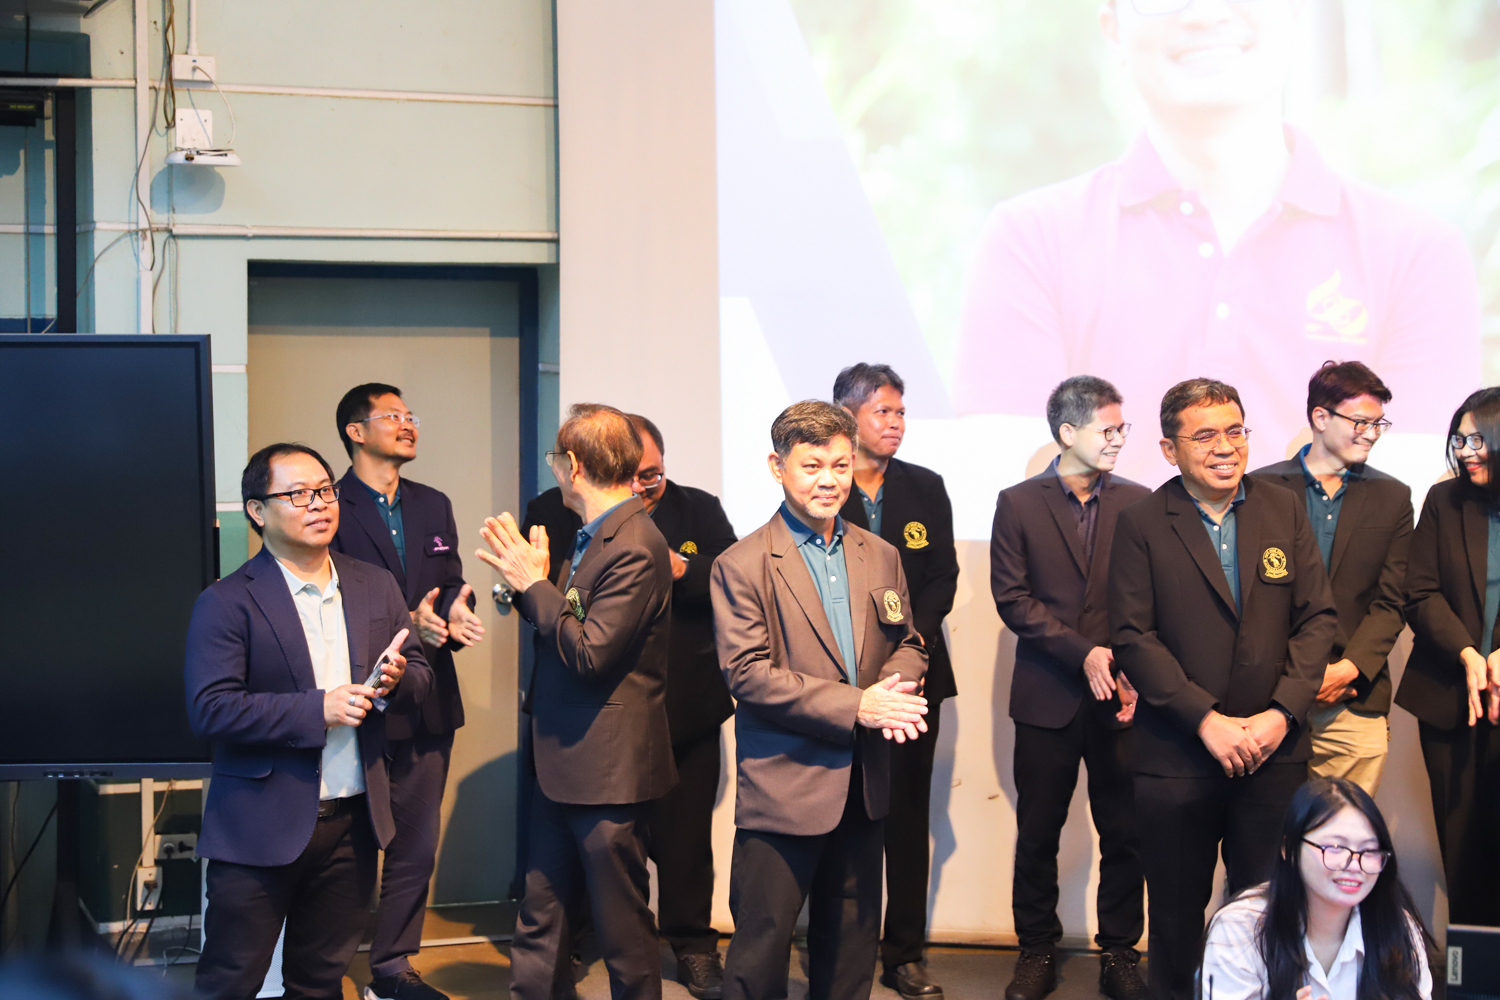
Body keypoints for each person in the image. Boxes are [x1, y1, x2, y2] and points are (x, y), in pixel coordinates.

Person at [953, 0, 1481, 487]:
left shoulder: (1417, 255)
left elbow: (1421, 507)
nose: (1204, 12)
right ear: (1112, 27)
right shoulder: (1030, 242)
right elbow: (1003, 502)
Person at [1109, 378, 1336, 1000]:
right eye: (1205, 435)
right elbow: (1132, 637)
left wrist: (1281, 714)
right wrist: (1206, 720)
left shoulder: (1283, 508)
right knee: (1176, 918)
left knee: (1268, 915)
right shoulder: (1141, 523)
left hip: (1272, 753)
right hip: (1177, 755)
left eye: (1235, 431)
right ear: (1169, 449)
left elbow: (1317, 619)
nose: (1225, 447)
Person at [185, 443, 431, 1000]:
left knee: (319, 983)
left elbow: (420, 674)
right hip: (258, 827)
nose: (318, 503)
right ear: (257, 511)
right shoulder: (226, 601)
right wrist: (317, 709)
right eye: (297, 494)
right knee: (229, 982)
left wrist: (396, 680)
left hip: (353, 823)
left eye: (324, 490)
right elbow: (211, 707)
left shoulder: (374, 584)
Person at [710, 400, 929, 1000]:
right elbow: (747, 674)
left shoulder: (880, 554)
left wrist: (894, 686)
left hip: (864, 783)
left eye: (840, 464)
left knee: (852, 950)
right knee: (760, 952)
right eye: (812, 466)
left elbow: (908, 642)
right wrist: (857, 706)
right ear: (777, 467)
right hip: (785, 788)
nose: (829, 480)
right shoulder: (742, 563)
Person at [478, 403, 677, 1000]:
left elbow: (590, 654)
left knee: (621, 927)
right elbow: (565, 623)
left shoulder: (633, 543)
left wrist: (534, 585)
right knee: (540, 914)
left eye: (555, 460)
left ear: (574, 465)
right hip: (563, 759)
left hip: (607, 769)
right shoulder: (596, 535)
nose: (554, 471)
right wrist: (530, 588)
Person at [990, 376, 1148, 1000]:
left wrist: (1127, 666)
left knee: (1125, 832)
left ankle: (1120, 953)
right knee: (1038, 833)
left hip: (1123, 697)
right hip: (1046, 696)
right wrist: (1084, 653)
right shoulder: (1018, 503)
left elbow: (1147, 600)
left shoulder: (1139, 501)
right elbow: (1012, 599)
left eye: (1122, 428)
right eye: (1108, 429)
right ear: (1067, 432)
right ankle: (1036, 951)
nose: (1118, 439)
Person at [328, 383, 486, 1000]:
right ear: (355, 431)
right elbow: (327, 600)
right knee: (351, 846)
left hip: (429, 696)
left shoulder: (432, 503)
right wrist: (406, 626)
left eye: (409, 414)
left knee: (416, 845)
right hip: (359, 700)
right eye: (392, 415)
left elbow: (449, 582)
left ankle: (392, 970)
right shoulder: (331, 504)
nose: (407, 423)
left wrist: (456, 610)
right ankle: (323, 968)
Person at [832, 364, 959, 1000]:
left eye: (901, 412)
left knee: (907, 818)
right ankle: (842, 949)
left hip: (915, 679)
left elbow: (942, 577)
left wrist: (911, 649)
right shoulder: (825, 487)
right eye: (883, 411)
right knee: (844, 817)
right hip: (844, 683)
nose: (896, 423)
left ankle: (903, 954)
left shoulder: (924, 486)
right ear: (848, 415)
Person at [1250, 362, 1411, 796]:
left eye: (1378, 424)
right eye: (1361, 422)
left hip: (1352, 698)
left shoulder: (1393, 497)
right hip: (1267, 694)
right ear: (1321, 417)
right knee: (1268, 830)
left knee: (1344, 829)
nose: (1371, 434)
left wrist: (1348, 669)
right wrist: (1295, 678)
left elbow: (1392, 600)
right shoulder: (1260, 488)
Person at [625, 413, 739, 1000]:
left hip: (688, 705)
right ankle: (598, 940)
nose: (644, 486)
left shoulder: (699, 508)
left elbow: (732, 577)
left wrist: (682, 568)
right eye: (633, 476)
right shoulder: (571, 508)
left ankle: (694, 944)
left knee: (687, 839)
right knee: (605, 840)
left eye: (653, 474)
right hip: (608, 710)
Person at [1396, 387, 1500, 926]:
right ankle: (1469, 962)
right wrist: (1467, 652)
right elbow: (1419, 591)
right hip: (1449, 700)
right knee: (1462, 852)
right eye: (1459, 440)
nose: (1465, 451)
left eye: (1478, 439)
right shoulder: (1443, 500)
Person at [1199, 777, 1432, 1000]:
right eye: (1335, 847)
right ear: (1288, 849)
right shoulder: (1241, 927)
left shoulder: (1397, 926)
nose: (1354, 865)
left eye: (1369, 850)